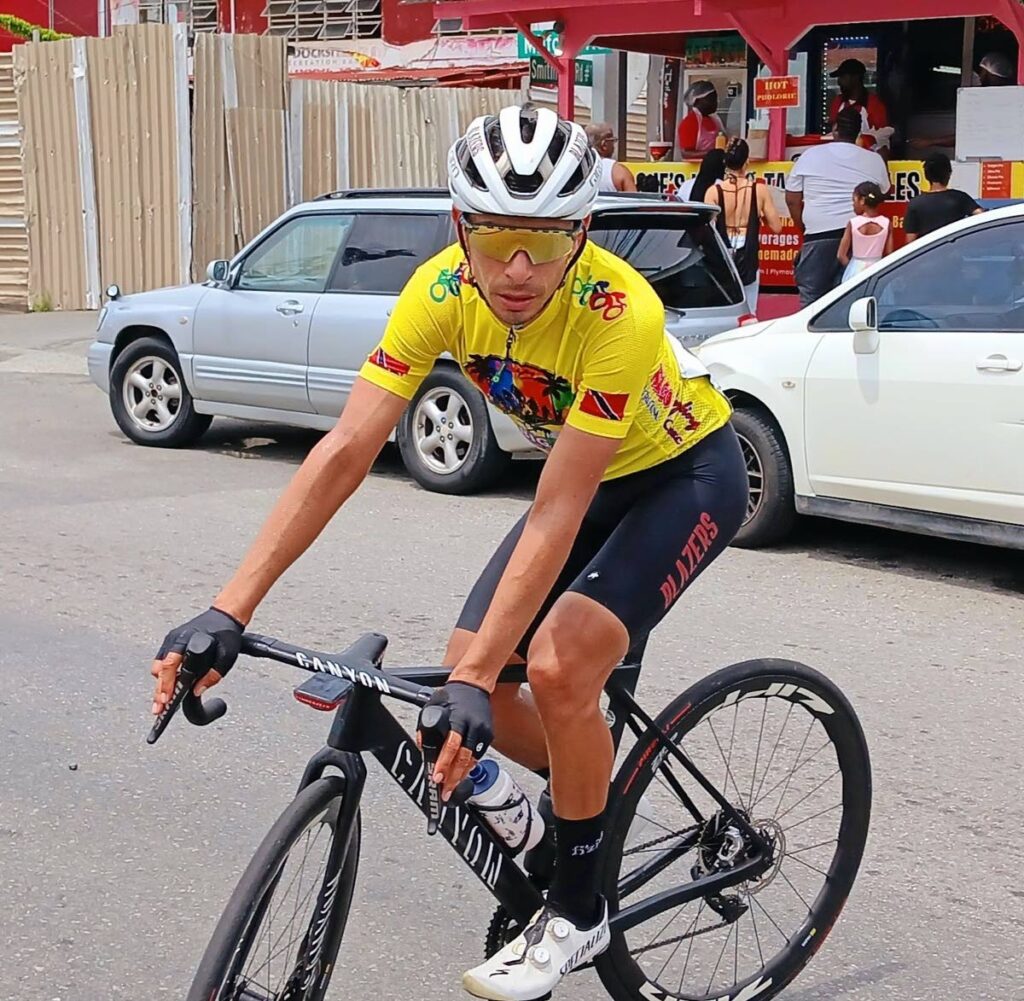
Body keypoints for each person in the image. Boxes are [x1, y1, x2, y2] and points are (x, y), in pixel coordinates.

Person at [150, 104, 748, 1001]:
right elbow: (345, 449)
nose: (517, 269)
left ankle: (580, 908)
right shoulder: (437, 291)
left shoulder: (622, 310)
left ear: (581, 233)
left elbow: (557, 507)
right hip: (587, 479)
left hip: (686, 473)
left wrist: (483, 675)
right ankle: (573, 803)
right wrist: (231, 607)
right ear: (460, 225)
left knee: (554, 665)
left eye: (544, 243)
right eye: (497, 237)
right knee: (471, 687)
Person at [786, 106, 891, 306]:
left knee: (812, 301)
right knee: (853, 299)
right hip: (859, 239)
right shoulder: (874, 160)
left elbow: (792, 199)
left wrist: (805, 229)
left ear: (834, 129)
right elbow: (883, 192)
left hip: (818, 235)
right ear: (859, 133)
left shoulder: (809, 156)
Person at [704, 137, 782, 311]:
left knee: (723, 306)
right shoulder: (758, 190)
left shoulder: (714, 191)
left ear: (725, 162)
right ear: (747, 162)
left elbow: (707, 229)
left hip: (722, 254)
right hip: (748, 254)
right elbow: (777, 227)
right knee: (749, 309)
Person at [904, 152, 983, 243]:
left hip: (928, 254)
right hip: (954, 252)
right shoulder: (960, 198)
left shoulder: (915, 203)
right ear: (948, 174)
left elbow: (910, 241)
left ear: (926, 176)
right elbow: (980, 215)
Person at [828, 57, 890, 154]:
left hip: (867, 156)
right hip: (840, 153)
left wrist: (866, 140)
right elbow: (832, 130)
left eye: (843, 77)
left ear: (856, 77)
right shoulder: (838, 101)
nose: (839, 81)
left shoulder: (874, 103)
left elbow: (883, 136)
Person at [837, 182, 893, 282]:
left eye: (854, 200)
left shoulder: (853, 223)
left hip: (855, 269)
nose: (853, 204)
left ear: (862, 201)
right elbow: (889, 252)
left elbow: (841, 255)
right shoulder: (886, 223)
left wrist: (852, 267)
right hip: (877, 267)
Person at [585, 121, 637, 193]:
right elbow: (634, 201)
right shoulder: (618, 172)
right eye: (612, 141)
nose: (614, 146)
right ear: (604, 144)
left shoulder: (577, 169)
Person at [677, 80, 726, 157]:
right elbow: (686, 153)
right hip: (696, 168)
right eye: (711, 99)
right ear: (698, 101)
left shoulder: (715, 120)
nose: (716, 102)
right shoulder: (689, 122)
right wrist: (713, 154)